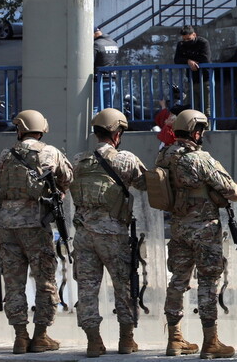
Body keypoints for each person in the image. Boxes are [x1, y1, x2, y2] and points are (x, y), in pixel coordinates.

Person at [157, 109, 237, 358]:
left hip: (178, 228)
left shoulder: (164, 156)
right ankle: (210, 342)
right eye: (201, 131)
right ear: (195, 131)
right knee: (208, 282)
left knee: (177, 280)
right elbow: (231, 190)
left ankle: (175, 339)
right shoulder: (200, 158)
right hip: (204, 230)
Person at [0, 110, 73, 354]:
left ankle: (20, 337)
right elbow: (67, 178)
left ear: (21, 129)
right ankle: (40, 336)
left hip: (6, 225)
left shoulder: (6, 154)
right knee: (45, 280)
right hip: (36, 225)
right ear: (41, 129)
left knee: (14, 284)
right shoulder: (50, 152)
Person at [70, 108, 147, 356]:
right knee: (123, 284)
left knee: (87, 288)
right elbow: (146, 184)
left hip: (83, 234)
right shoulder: (125, 159)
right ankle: (126, 340)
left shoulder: (78, 160)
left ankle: (94, 342)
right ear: (117, 132)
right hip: (113, 233)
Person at [174, 25, 213, 117]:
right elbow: (177, 60)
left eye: (189, 39)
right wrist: (188, 61)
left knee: (206, 109)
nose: (186, 42)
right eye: (184, 39)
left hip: (205, 79)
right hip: (191, 79)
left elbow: (205, 58)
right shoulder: (181, 44)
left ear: (194, 35)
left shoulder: (203, 42)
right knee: (192, 109)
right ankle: (194, 130)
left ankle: (208, 129)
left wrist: (191, 61)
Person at [94, 27, 120, 112]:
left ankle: (95, 126)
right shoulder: (114, 43)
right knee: (109, 109)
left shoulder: (96, 44)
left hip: (98, 80)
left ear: (94, 34)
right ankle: (108, 125)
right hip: (112, 79)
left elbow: (90, 61)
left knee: (95, 108)